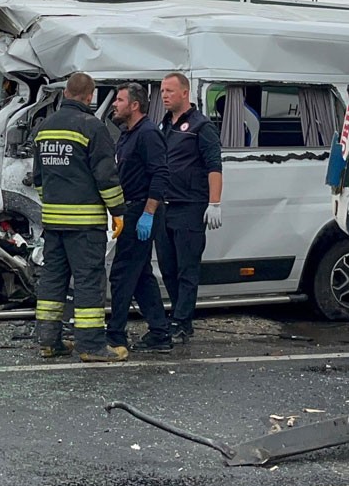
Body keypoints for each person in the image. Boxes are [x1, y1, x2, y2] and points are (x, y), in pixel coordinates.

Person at [33, 72, 128, 363]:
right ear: (90, 96)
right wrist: (118, 211)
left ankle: (48, 342)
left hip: (52, 221)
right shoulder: (92, 127)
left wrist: (53, 203)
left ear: (65, 94)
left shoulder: (44, 127)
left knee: (52, 280)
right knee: (88, 281)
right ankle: (91, 345)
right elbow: (106, 176)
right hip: (85, 224)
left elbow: (38, 178)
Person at [106, 82, 173, 353]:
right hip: (129, 210)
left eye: (120, 100)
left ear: (134, 105)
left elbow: (160, 174)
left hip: (141, 211)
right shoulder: (126, 134)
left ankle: (115, 335)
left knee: (122, 274)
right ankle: (159, 332)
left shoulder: (148, 134)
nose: (114, 104)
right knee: (141, 274)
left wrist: (148, 213)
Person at [157, 72, 223, 344]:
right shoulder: (163, 125)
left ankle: (182, 321)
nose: (164, 95)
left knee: (187, 268)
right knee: (168, 268)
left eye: (169, 91)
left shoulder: (201, 126)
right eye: (162, 91)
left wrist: (214, 202)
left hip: (189, 207)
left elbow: (214, 167)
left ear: (185, 93)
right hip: (164, 206)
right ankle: (178, 315)